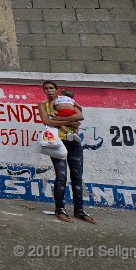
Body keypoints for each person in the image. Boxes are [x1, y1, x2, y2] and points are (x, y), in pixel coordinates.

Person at [38, 81, 97, 224]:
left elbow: (80, 117)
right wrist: (70, 122)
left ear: (57, 90)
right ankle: (60, 209)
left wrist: (57, 119)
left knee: (77, 177)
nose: (49, 91)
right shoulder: (42, 105)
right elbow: (46, 121)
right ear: (44, 91)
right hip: (56, 143)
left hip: (74, 143)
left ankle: (79, 211)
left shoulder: (69, 102)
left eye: (51, 88)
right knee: (61, 177)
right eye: (46, 89)